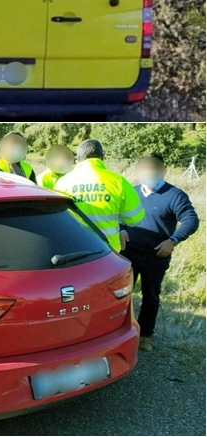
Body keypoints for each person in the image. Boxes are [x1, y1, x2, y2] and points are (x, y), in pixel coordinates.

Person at [123, 153, 200, 352]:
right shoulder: (131, 192)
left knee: (151, 296)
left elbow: (191, 220)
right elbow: (119, 215)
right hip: (128, 253)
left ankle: (145, 336)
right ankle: (121, 332)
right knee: (123, 294)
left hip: (156, 256)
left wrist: (173, 240)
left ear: (163, 170)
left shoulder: (175, 195)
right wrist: (121, 229)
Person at [54, 139, 144, 252]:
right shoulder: (118, 181)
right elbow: (135, 219)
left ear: (78, 160)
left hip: (74, 251)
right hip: (108, 252)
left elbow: (56, 220)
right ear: (103, 157)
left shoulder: (63, 182)